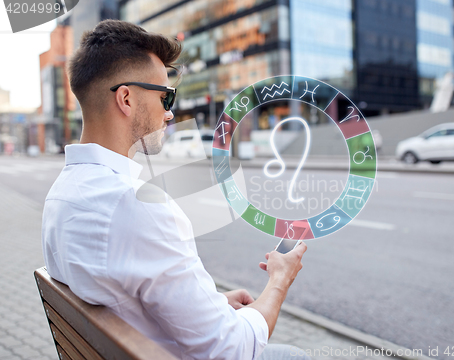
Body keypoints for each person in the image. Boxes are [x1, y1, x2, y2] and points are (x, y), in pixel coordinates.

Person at [42, 19, 309, 360]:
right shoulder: (140, 205)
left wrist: (211, 305)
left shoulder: (61, 193)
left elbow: (120, 295)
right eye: (166, 97)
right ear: (125, 98)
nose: (170, 114)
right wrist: (279, 281)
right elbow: (232, 349)